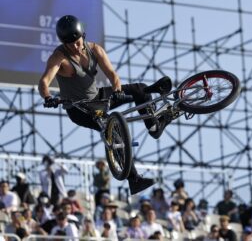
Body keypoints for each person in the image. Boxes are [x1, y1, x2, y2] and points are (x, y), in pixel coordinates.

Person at [38, 15, 173, 195]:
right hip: (79, 109)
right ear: (64, 43)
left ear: (83, 36)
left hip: (99, 97)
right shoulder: (59, 57)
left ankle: (154, 126)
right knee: (113, 128)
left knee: (140, 90)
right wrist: (48, 97)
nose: (75, 47)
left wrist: (117, 89)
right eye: (70, 45)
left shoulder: (95, 50)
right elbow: (44, 82)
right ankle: (134, 179)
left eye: (77, 42)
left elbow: (113, 75)